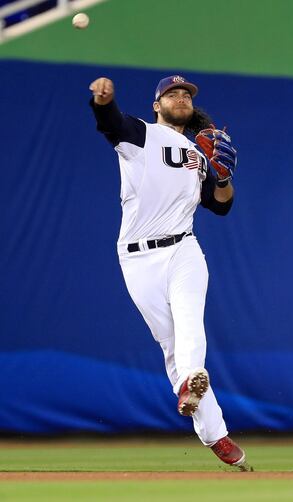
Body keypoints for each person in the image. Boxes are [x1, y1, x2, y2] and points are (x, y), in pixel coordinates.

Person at [89, 74, 253, 471]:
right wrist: (103, 101)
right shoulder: (140, 137)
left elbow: (221, 205)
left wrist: (225, 177)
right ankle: (214, 433)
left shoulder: (199, 152)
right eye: (171, 94)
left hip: (183, 248)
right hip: (137, 258)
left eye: (186, 94)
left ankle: (190, 380)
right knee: (170, 343)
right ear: (156, 105)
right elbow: (111, 123)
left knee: (189, 321)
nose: (180, 98)